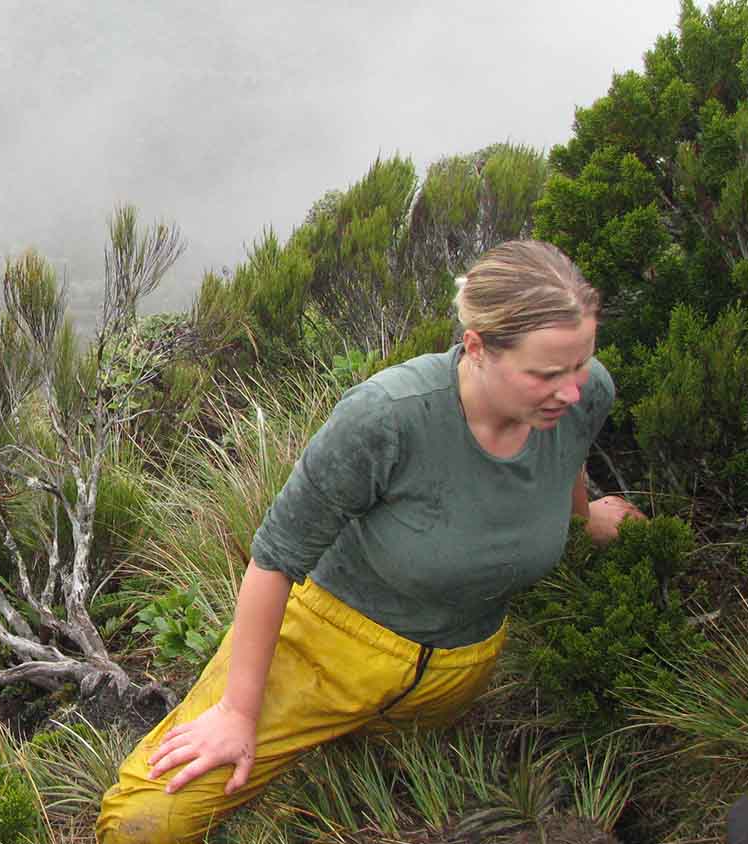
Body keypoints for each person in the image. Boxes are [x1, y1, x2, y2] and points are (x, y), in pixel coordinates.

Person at [96, 240, 645, 843]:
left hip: (459, 669)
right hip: (330, 643)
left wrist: (582, 517)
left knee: (392, 794)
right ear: (478, 347)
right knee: (144, 826)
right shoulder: (388, 418)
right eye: (546, 373)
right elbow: (273, 562)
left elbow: (566, 458)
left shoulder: (584, 395)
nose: (570, 391)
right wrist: (237, 713)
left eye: (579, 365)